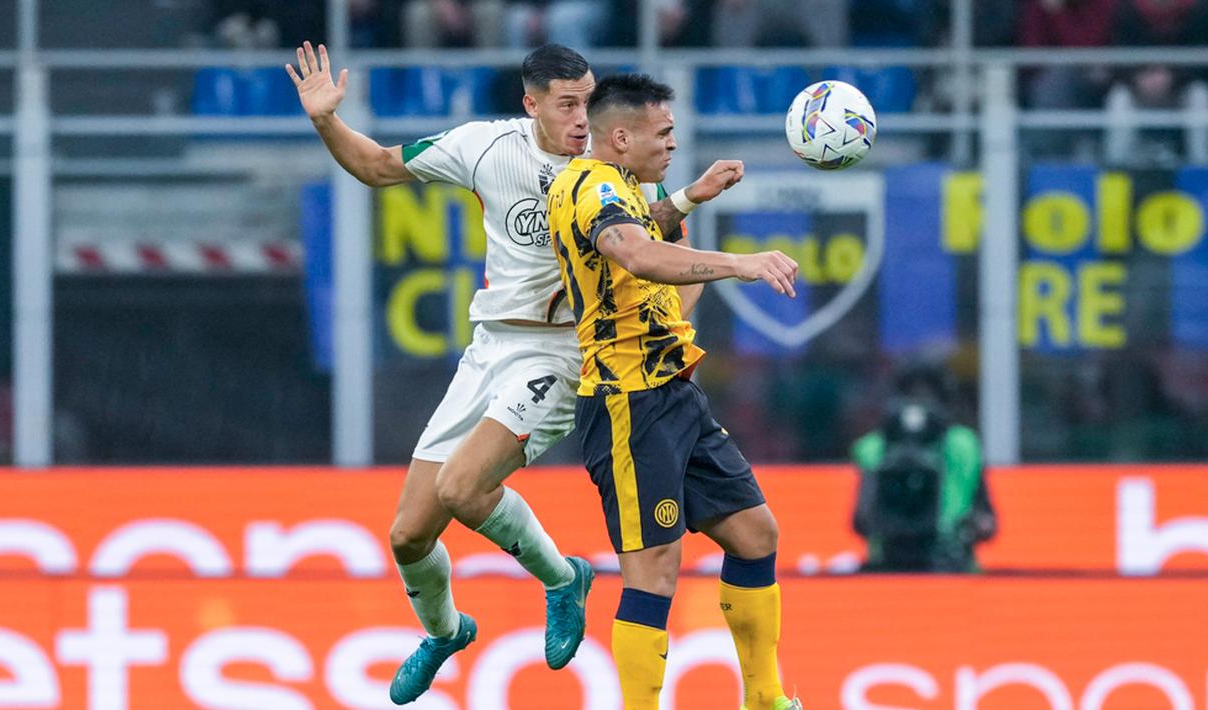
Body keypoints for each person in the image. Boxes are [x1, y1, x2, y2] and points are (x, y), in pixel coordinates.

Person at [287, 42, 747, 704]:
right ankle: (445, 633)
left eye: (588, 102)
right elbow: (376, 166)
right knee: (408, 533)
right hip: (489, 348)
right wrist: (326, 120)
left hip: (561, 354)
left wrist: (685, 206)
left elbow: (647, 248)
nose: (582, 119)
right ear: (529, 104)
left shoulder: (612, 173)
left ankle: (562, 580)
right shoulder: (484, 147)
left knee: (464, 489)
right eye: (566, 105)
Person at [547, 72, 801, 710]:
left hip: (674, 392)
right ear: (622, 135)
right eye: (663, 133)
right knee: (655, 570)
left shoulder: (621, 186)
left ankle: (765, 699)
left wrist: (690, 196)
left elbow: (641, 224)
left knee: (754, 533)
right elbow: (636, 251)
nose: (671, 143)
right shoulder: (589, 186)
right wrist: (740, 263)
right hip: (627, 401)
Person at [850, 364, 997, 572]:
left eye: (928, 397)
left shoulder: (962, 447)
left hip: (950, 564)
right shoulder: (873, 448)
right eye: (911, 396)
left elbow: (987, 519)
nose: (920, 406)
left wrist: (972, 526)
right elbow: (860, 521)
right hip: (887, 564)